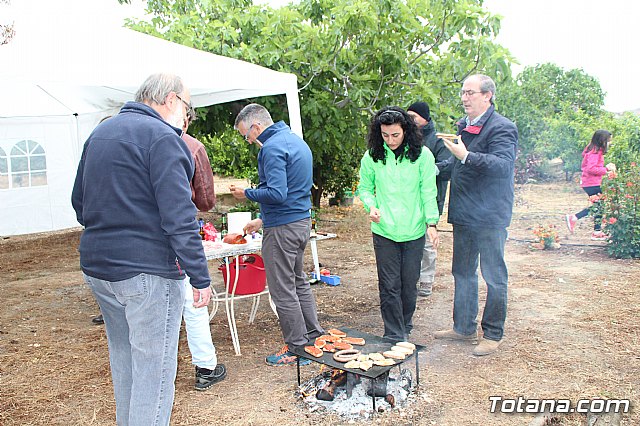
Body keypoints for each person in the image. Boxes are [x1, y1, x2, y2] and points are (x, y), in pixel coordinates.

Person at [71, 73, 212, 425]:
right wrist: (200, 276)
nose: (186, 116)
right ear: (170, 99)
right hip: (147, 272)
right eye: (187, 106)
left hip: (99, 268)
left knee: (126, 361)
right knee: (154, 370)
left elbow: (79, 205)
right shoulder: (164, 138)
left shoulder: (99, 134)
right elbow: (179, 218)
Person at [229, 103, 324, 366]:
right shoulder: (295, 141)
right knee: (297, 281)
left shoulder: (270, 149)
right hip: (300, 222)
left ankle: (297, 347)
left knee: (282, 289)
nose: (248, 141)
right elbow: (292, 192)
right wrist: (263, 219)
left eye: (246, 135)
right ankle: (314, 337)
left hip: (282, 230)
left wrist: (245, 193)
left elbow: (277, 193)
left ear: (256, 126)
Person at [434, 74, 518, 356]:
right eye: (463, 92)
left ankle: (493, 334)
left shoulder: (502, 127)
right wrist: (433, 168)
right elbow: (456, 164)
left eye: (470, 93)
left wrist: (466, 156)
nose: (464, 98)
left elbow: (503, 166)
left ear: (487, 95)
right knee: (463, 272)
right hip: (464, 213)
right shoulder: (464, 126)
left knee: (493, 275)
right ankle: (463, 328)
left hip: (490, 215)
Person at [357, 106, 440, 341]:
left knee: (408, 285)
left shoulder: (422, 156)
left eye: (395, 135)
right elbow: (364, 188)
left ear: (406, 130)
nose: (390, 140)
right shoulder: (372, 156)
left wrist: (431, 223)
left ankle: (405, 324)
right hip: (384, 230)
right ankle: (393, 334)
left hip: (413, 230)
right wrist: (370, 205)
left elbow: (428, 191)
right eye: (385, 135)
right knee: (389, 285)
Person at [180, 110, 227, 390]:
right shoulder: (191, 146)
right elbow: (207, 199)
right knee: (194, 302)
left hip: (133, 243)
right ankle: (206, 368)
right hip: (177, 238)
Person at [407, 101, 451, 297]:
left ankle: (426, 280)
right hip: (408, 199)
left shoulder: (437, 140)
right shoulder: (406, 137)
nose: (411, 120)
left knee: (426, 240)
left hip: (431, 198)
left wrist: (431, 169)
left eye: (414, 117)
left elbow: (448, 167)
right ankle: (411, 279)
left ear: (425, 118)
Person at [565, 130, 616, 241]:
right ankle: (575, 218)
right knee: (598, 206)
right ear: (602, 141)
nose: (610, 143)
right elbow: (591, 168)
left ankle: (596, 231)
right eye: (608, 141)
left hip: (591, 182)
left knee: (598, 206)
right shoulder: (594, 153)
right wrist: (606, 169)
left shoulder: (594, 150)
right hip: (591, 183)